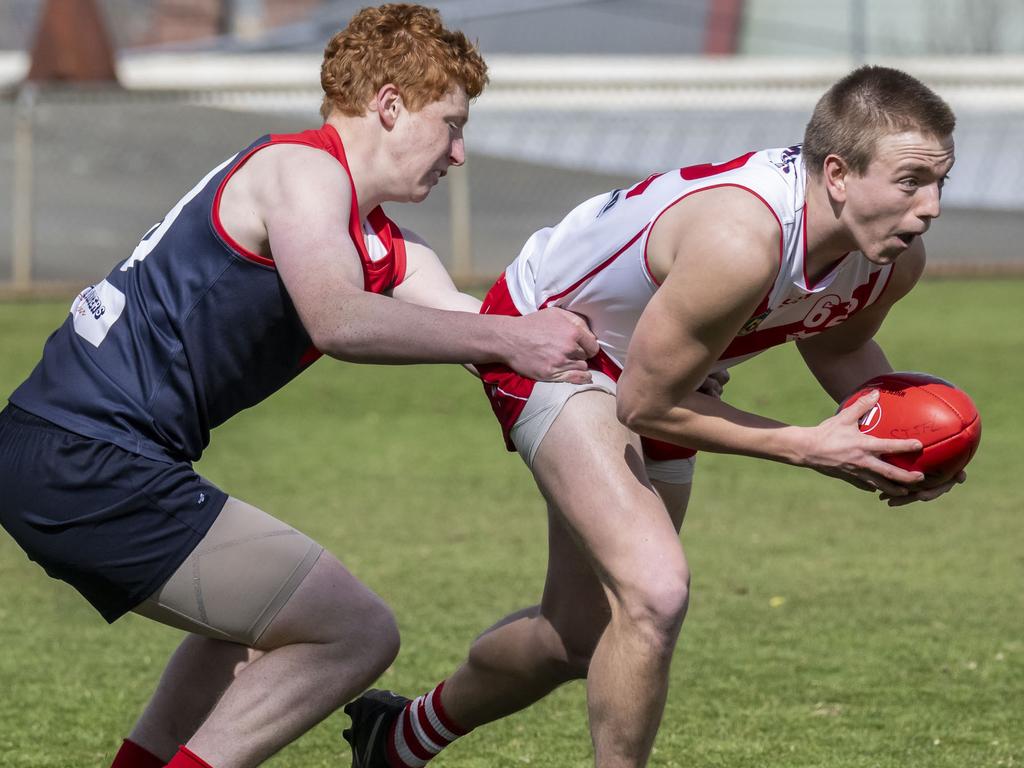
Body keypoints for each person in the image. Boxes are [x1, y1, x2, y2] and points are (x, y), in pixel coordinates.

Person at [0, 6, 599, 768]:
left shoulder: (383, 242)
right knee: (356, 632)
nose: (460, 151)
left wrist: (614, 349)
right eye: (450, 123)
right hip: (86, 455)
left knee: (252, 625)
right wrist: (513, 338)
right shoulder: (302, 171)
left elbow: (474, 326)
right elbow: (339, 320)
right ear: (388, 106)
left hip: (76, 453)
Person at [342, 65, 963, 768]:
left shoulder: (891, 260)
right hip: (549, 342)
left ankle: (396, 740)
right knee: (654, 592)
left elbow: (840, 344)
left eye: (941, 181)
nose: (932, 206)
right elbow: (645, 406)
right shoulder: (741, 239)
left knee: (578, 637)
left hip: (662, 371)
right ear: (840, 175)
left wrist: (907, 440)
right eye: (912, 182)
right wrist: (806, 446)